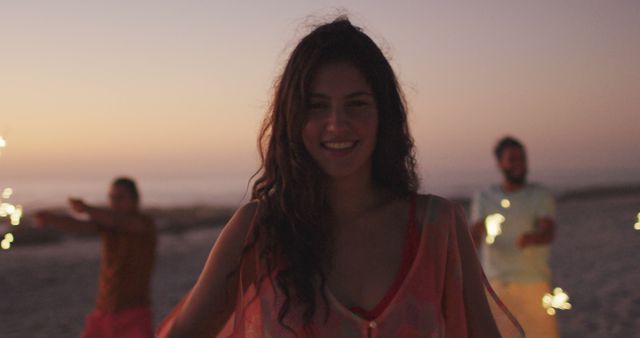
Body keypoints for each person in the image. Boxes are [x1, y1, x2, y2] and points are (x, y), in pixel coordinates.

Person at [158, 17, 523, 337]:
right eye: (316, 106)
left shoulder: (437, 227)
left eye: (356, 103)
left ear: (384, 116)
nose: (337, 123)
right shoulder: (260, 230)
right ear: (293, 118)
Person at [35, 177, 157, 338]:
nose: (115, 202)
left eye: (120, 198)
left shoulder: (143, 223)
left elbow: (119, 221)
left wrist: (87, 208)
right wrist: (52, 219)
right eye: (112, 198)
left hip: (134, 314)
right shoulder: (108, 225)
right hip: (104, 312)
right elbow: (80, 226)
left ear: (135, 200)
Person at [470, 136, 558, 338]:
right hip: (496, 287)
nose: (519, 163)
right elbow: (475, 233)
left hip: (533, 285)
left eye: (522, 158)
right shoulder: (484, 197)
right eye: (512, 159)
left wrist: (532, 238)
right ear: (500, 163)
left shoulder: (540, 195)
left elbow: (548, 231)